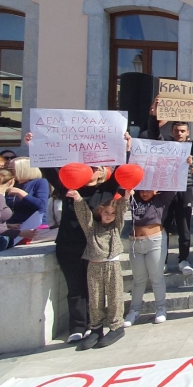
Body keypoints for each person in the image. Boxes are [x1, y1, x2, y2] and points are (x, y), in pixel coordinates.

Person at [27, 132, 126, 343]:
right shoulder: (69, 188)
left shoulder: (107, 190)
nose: (92, 171)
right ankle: (78, 326)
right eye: (88, 167)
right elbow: (50, 170)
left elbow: (123, 170)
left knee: (95, 289)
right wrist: (35, 145)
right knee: (75, 287)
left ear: (102, 172)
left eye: (96, 168)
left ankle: (95, 326)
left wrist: (126, 147)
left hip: (96, 248)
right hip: (69, 244)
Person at [148, 99, 193, 275]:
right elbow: (153, 134)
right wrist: (154, 115)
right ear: (171, 131)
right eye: (176, 130)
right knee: (164, 225)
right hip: (166, 190)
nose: (179, 133)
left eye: (182, 131)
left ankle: (184, 260)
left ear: (187, 132)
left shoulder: (192, 147)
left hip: (185, 189)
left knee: (184, 227)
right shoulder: (165, 144)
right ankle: (162, 261)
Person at [65, 189, 128, 350]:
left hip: (111, 265)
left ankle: (116, 326)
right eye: (106, 212)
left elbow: (122, 210)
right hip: (94, 266)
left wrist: (127, 196)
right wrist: (78, 198)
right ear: (100, 212)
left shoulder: (116, 227)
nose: (109, 216)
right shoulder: (92, 228)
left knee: (114, 296)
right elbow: (84, 215)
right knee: (95, 298)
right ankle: (95, 329)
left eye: (112, 213)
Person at [124, 189, 175, 327]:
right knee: (138, 279)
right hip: (135, 243)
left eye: (148, 190)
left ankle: (161, 308)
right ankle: (134, 310)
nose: (144, 193)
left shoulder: (161, 199)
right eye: (142, 190)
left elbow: (173, 186)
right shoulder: (134, 198)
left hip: (155, 241)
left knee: (156, 277)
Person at [5, 157, 49, 225]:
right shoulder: (13, 183)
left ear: (23, 169)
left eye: (11, 169)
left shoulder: (39, 182)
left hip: (34, 226)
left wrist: (20, 192)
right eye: (8, 169)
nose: (8, 172)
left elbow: (41, 205)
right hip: (13, 226)